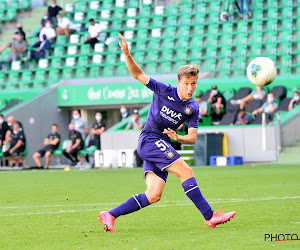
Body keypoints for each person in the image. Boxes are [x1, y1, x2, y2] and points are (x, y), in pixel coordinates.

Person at [98, 34, 236, 232]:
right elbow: (138, 75)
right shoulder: (164, 90)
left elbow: (192, 138)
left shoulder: (193, 108)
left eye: (194, 83)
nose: (190, 88)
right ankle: (210, 216)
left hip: (162, 144)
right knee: (186, 171)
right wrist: (127, 54)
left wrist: (177, 137)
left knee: (154, 194)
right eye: (186, 83)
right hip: (149, 140)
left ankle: (109, 214)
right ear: (178, 82)